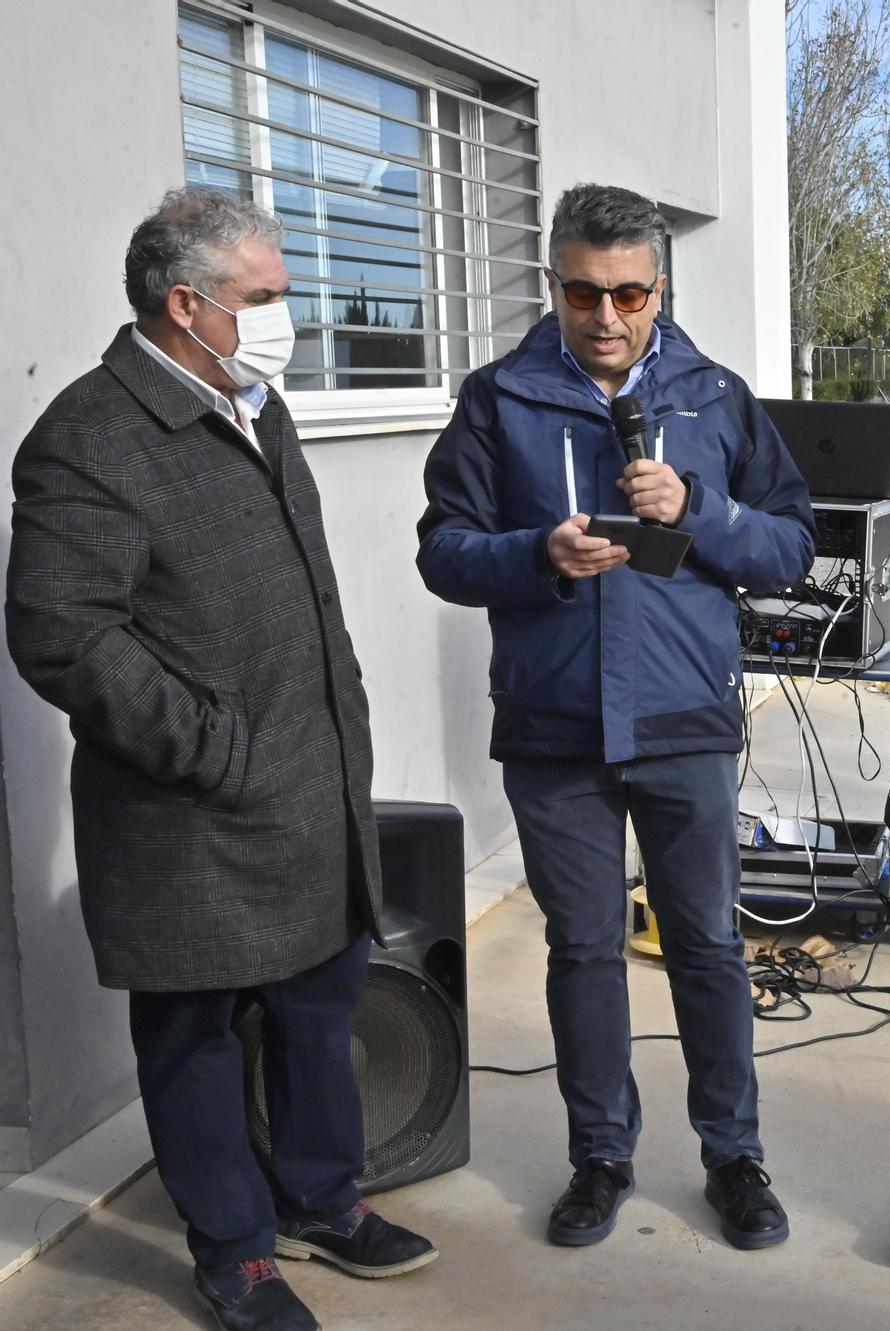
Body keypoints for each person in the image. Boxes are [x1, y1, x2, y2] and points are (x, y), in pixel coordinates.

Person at [6, 187, 435, 1331]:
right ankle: (236, 1250)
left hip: (308, 790)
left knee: (316, 1010)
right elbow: (61, 630)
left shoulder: (255, 402)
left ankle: (323, 1199)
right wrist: (213, 747)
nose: (289, 317)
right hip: (189, 811)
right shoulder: (91, 437)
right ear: (184, 304)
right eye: (266, 297)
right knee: (193, 1037)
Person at [416, 183, 814, 1252]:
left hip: (682, 715)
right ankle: (599, 1154)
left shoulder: (715, 396)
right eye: (583, 292)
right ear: (552, 284)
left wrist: (702, 510)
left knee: (708, 948)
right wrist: (532, 554)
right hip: (555, 724)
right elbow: (441, 549)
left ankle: (733, 1155)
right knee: (584, 949)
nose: (605, 315)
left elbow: (789, 544)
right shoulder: (497, 399)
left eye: (628, 292)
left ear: (659, 287)